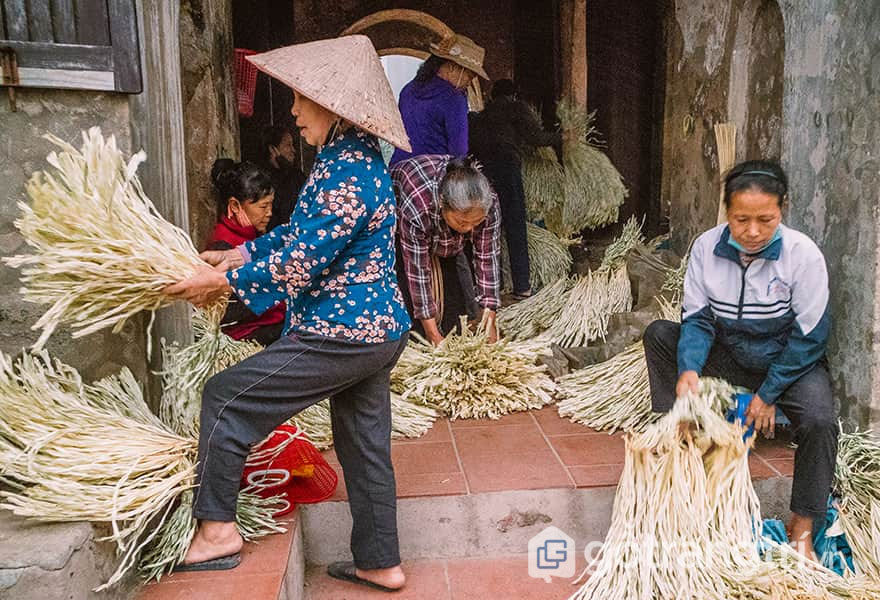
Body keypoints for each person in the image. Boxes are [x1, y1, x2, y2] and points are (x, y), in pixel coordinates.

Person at [165, 35, 413, 592]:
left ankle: (217, 533)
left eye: (303, 98)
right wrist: (240, 252)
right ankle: (380, 560)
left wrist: (221, 280)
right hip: (373, 332)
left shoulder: (347, 172)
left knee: (226, 398)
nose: (295, 111)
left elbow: (302, 260)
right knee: (364, 444)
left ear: (337, 104)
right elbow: (300, 237)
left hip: (343, 332)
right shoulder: (349, 161)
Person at [642, 159, 836, 561]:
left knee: (820, 420)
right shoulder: (705, 248)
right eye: (740, 218)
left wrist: (768, 394)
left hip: (788, 361)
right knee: (661, 335)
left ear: (783, 209)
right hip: (731, 354)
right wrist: (691, 369)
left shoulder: (803, 256)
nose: (751, 232)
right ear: (726, 211)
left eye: (765, 219)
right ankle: (680, 438)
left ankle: (801, 527)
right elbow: (697, 320)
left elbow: (810, 338)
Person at [391, 154, 501, 345]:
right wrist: (433, 336)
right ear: (443, 204)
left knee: (459, 317)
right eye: (462, 222)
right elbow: (417, 271)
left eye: (476, 222)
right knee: (415, 329)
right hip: (404, 230)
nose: (469, 229)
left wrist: (489, 319)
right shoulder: (419, 204)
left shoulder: (487, 202)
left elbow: (488, 257)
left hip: (444, 233)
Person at [469, 79, 561, 299]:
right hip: (507, 169)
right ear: (513, 95)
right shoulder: (516, 108)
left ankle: (493, 286)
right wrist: (562, 137)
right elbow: (536, 137)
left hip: (482, 172)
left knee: (487, 227)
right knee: (515, 225)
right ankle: (522, 286)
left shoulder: (480, 116)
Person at [206, 159, 285, 346]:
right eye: (263, 207)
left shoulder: (254, 239)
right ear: (235, 206)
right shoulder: (223, 247)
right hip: (248, 337)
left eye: (271, 205)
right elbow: (231, 310)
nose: (269, 213)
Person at [389, 33, 488, 165]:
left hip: (398, 171)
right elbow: (459, 150)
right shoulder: (454, 98)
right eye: (469, 77)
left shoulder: (407, 90)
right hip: (432, 175)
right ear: (453, 67)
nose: (469, 83)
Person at [261, 125, 306, 230]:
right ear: (273, 149)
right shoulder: (263, 179)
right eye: (288, 145)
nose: (293, 150)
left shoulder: (296, 176)